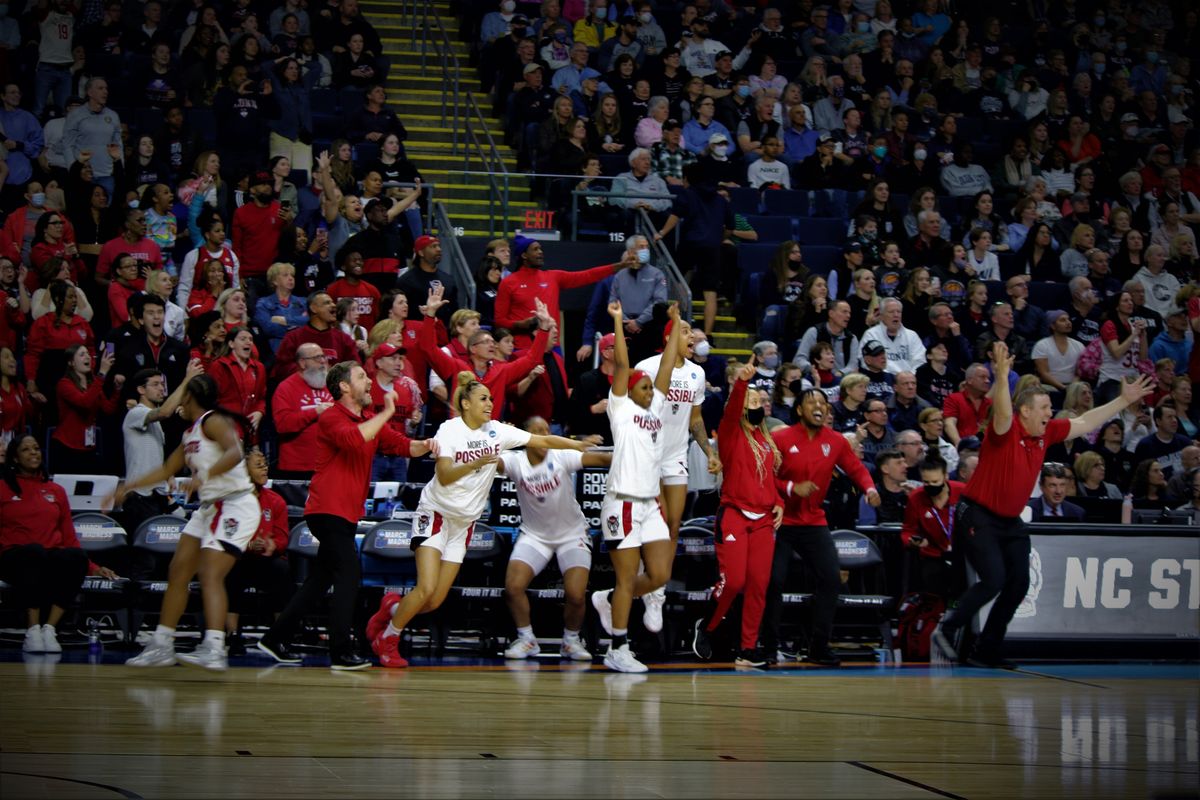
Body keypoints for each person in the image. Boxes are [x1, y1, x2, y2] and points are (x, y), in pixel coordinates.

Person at [932, 344, 1153, 669]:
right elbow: (1004, 413)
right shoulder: (1005, 432)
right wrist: (1003, 375)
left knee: (1019, 583)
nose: (1052, 412)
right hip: (977, 513)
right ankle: (946, 629)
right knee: (994, 579)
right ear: (1026, 412)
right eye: (1046, 407)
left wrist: (1122, 400)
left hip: (1010, 521)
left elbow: (1086, 421)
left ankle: (986, 649)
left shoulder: (1046, 433)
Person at [367, 374, 587, 668]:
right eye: (484, 399)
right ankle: (388, 639)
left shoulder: (497, 431)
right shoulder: (450, 430)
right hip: (436, 514)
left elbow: (543, 439)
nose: (490, 403)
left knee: (434, 601)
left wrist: (576, 446)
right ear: (466, 404)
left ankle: (393, 608)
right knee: (425, 588)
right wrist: (475, 463)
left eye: (491, 399)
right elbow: (444, 475)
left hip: (464, 524)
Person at [258, 361, 432, 670]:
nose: (369, 382)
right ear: (344, 387)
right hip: (327, 510)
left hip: (344, 513)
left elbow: (403, 446)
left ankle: (274, 638)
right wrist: (387, 413)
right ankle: (340, 651)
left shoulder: (369, 419)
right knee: (349, 575)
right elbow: (354, 438)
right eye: (362, 377)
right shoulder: (332, 417)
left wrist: (433, 445)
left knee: (320, 580)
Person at [119, 375, 262, 672]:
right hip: (210, 508)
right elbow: (166, 470)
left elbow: (235, 452)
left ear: (188, 397)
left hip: (235, 504)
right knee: (178, 570)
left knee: (210, 574)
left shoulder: (213, 420)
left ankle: (213, 647)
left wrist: (204, 476)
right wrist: (127, 488)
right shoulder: (190, 434)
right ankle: (162, 644)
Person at [587, 301, 682, 673]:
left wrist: (674, 325)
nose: (648, 389)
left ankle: (608, 600)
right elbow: (625, 367)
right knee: (627, 577)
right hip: (622, 503)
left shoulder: (656, 406)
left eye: (649, 386)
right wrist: (615, 320)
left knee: (659, 575)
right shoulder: (621, 408)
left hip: (649, 504)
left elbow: (668, 367)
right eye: (642, 386)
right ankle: (618, 647)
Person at [763, 387, 880, 665]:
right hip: (780, 520)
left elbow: (856, 469)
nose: (818, 406)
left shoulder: (836, 441)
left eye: (823, 403)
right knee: (774, 582)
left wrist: (869, 488)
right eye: (811, 402)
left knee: (830, 578)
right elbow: (764, 477)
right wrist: (792, 487)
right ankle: (768, 646)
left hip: (814, 521)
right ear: (800, 410)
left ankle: (818, 646)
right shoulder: (780, 437)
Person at [631, 312, 720, 630]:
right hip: (647, 453)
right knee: (648, 524)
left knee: (671, 525)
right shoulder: (647, 367)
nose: (694, 337)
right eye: (685, 331)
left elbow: (695, 419)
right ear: (668, 338)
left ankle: (656, 593)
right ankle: (647, 583)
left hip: (675, 456)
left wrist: (709, 452)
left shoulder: (697, 373)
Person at [496, 416, 611, 661]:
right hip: (535, 536)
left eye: (547, 429)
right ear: (526, 438)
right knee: (513, 587)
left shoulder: (560, 456)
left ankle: (570, 641)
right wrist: (497, 437)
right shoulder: (516, 462)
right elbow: (491, 462)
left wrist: (631, 457)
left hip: (572, 535)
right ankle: (527, 639)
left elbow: (600, 458)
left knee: (576, 594)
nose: (544, 434)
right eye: (537, 431)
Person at [691, 355, 781, 667]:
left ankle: (747, 649)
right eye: (753, 399)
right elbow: (731, 410)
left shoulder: (768, 440)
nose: (759, 404)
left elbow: (770, 480)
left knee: (758, 586)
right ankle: (707, 625)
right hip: (735, 514)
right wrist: (742, 382)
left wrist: (779, 503)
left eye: (762, 400)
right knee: (735, 582)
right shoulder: (730, 432)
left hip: (764, 521)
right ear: (743, 405)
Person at [0, 435, 117, 653]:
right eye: (26, 450)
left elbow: (69, 537)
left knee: (75, 557)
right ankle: (32, 630)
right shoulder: (3, 488)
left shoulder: (56, 491)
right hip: (13, 557)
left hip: (48, 557)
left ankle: (49, 629)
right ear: (15, 458)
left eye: (36, 448)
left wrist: (92, 567)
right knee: (33, 553)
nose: (34, 452)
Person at [224, 449, 294, 655]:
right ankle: (232, 636)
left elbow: (282, 538)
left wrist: (272, 545)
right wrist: (247, 545)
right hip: (239, 557)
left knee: (282, 570)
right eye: (258, 465)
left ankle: (279, 638)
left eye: (265, 465)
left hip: (266, 560)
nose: (265, 469)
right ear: (243, 470)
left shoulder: (276, 501)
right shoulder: (231, 500)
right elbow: (226, 533)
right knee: (229, 569)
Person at [121, 362, 204, 532]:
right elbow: (165, 412)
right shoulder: (136, 413)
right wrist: (187, 379)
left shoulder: (156, 424)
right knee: (144, 553)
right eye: (155, 384)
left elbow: (151, 454)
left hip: (158, 494)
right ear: (141, 390)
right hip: (139, 496)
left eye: (162, 384)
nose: (161, 389)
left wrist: (168, 474)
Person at [899, 456, 965, 598]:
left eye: (935, 481)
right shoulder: (916, 497)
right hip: (932, 557)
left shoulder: (963, 492)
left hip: (963, 556)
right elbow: (908, 529)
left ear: (946, 476)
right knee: (934, 598)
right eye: (926, 482)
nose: (931, 486)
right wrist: (912, 541)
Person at [271, 343, 333, 478]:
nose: (323, 361)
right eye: (317, 358)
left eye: (323, 357)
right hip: (297, 468)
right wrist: (315, 411)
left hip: (329, 464)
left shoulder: (331, 386)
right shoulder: (285, 388)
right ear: (303, 363)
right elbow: (283, 424)